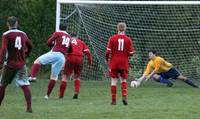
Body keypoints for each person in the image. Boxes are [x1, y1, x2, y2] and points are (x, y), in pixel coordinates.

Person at [28, 24, 72, 99]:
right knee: (54, 77)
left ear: (59, 27)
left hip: (55, 53)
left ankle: (32, 77)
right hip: (62, 57)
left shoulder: (57, 33)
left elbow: (48, 42)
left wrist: (53, 44)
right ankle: (47, 95)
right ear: (66, 29)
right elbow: (70, 50)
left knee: (37, 61)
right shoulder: (69, 37)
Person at [0, 16, 33, 112]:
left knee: (2, 85)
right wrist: (26, 53)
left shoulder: (6, 34)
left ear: (7, 24)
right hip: (21, 64)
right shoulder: (23, 34)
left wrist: (1, 62)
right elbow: (30, 46)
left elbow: (3, 49)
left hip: (9, 64)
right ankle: (29, 107)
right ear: (17, 23)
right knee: (25, 84)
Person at [106, 22, 134, 105]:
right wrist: (126, 54)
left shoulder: (112, 38)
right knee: (123, 80)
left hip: (114, 62)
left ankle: (113, 100)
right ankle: (124, 96)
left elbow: (108, 51)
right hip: (124, 62)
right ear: (125, 29)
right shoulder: (128, 39)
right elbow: (131, 52)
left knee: (114, 81)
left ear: (117, 28)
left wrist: (106, 59)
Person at [59, 32, 92, 99]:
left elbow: (62, 51)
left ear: (70, 36)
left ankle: (61, 95)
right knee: (77, 76)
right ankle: (76, 92)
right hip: (80, 58)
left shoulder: (68, 41)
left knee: (65, 76)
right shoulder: (81, 42)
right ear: (76, 37)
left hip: (70, 57)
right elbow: (88, 53)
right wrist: (89, 63)